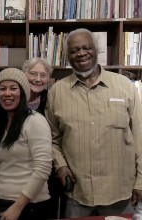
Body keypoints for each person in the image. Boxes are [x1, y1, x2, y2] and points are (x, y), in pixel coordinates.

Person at [45, 28, 142, 218]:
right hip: (77, 195)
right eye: (74, 50)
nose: (81, 53)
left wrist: (141, 181)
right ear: (67, 55)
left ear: (97, 50)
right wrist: (61, 166)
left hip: (121, 195)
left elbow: (141, 136)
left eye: (86, 48)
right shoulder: (56, 92)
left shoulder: (125, 86)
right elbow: (52, 139)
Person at [0, 68, 52, 220]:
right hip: (0, 205)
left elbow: (43, 168)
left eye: (13, 88)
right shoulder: (0, 125)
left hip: (29, 207)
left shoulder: (35, 121)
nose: (7, 93)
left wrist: (18, 207)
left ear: (22, 93)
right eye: (2, 88)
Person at [22, 57, 63, 219]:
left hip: (45, 174)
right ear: (24, 75)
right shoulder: (12, 98)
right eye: (33, 74)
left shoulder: (52, 101)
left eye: (43, 75)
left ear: (48, 79)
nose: (38, 79)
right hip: (16, 171)